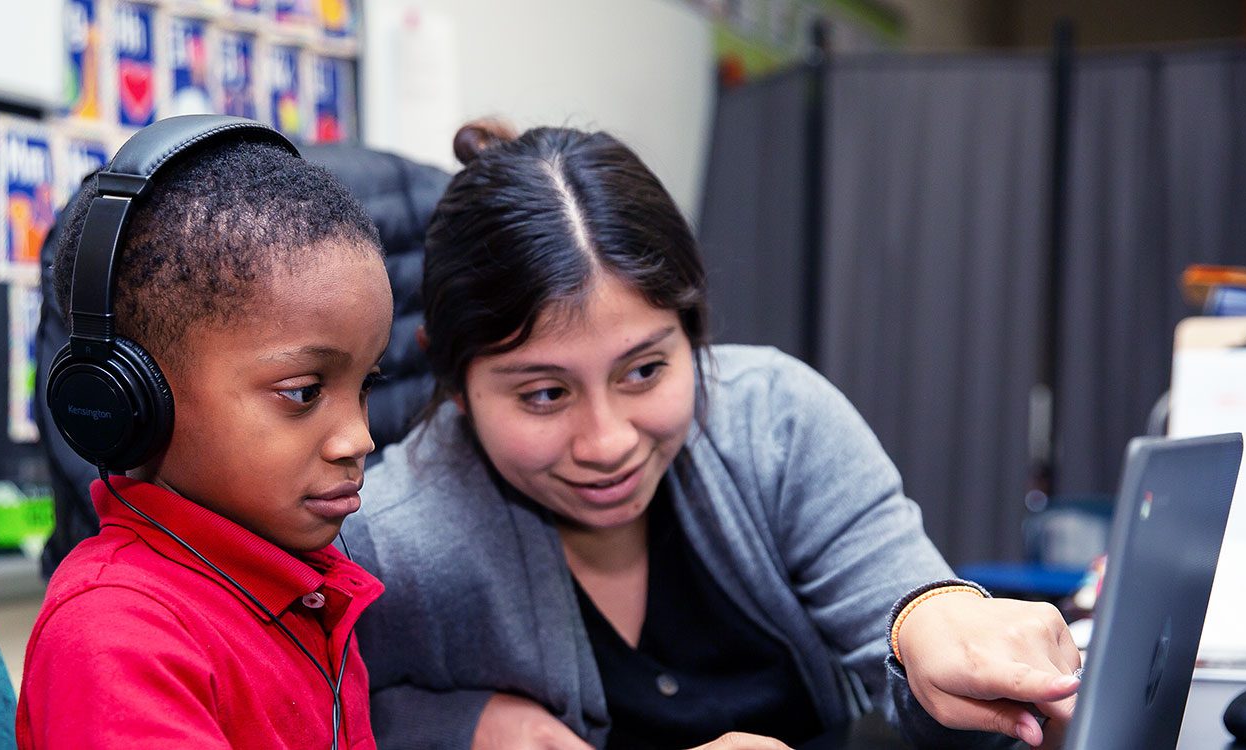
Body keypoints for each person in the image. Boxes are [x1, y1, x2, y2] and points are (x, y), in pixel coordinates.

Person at [341, 121, 1081, 750]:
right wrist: (456, 723)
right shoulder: (384, 544)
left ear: (693, 335)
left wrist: (937, 627)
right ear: (453, 376)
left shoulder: (774, 421)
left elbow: (897, 592)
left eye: (644, 372)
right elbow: (310, 715)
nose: (607, 442)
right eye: (544, 394)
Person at [16, 120, 391, 748]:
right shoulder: (118, 634)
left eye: (367, 387)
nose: (358, 439)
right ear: (130, 396)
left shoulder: (308, 587)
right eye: (302, 392)